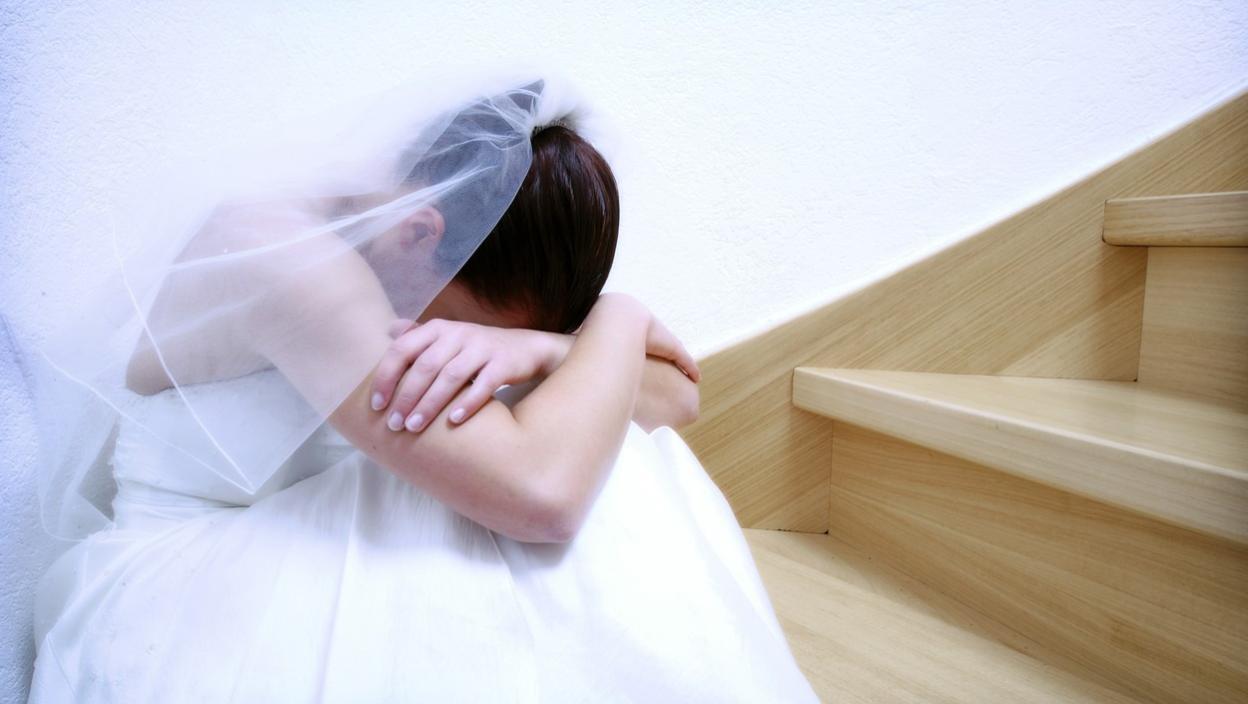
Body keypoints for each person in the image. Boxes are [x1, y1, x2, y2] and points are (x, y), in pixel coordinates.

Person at [24, 72, 819, 702]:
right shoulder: (287, 260)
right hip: (198, 577)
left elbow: (676, 399)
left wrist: (539, 348)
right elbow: (542, 494)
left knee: (618, 457)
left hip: (329, 520)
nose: (477, 351)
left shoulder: (446, 234)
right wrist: (622, 316)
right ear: (420, 234)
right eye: (480, 327)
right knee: (579, 474)